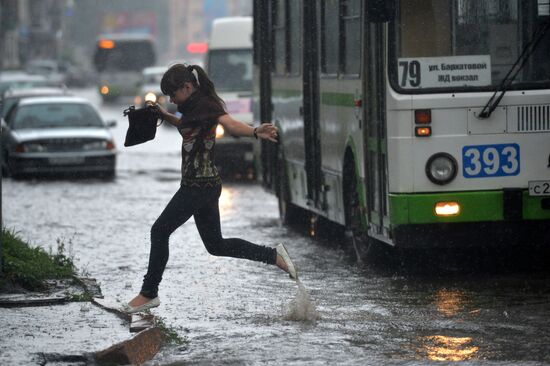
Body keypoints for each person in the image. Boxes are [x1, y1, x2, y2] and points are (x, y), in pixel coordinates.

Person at [124, 64, 297, 313]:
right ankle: (275, 256)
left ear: (187, 86)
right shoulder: (193, 108)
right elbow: (188, 127)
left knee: (159, 231)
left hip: (198, 187)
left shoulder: (207, 105)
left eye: (173, 94)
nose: (172, 99)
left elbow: (231, 125)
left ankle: (148, 293)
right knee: (216, 245)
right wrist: (164, 115)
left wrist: (255, 131)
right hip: (204, 186)